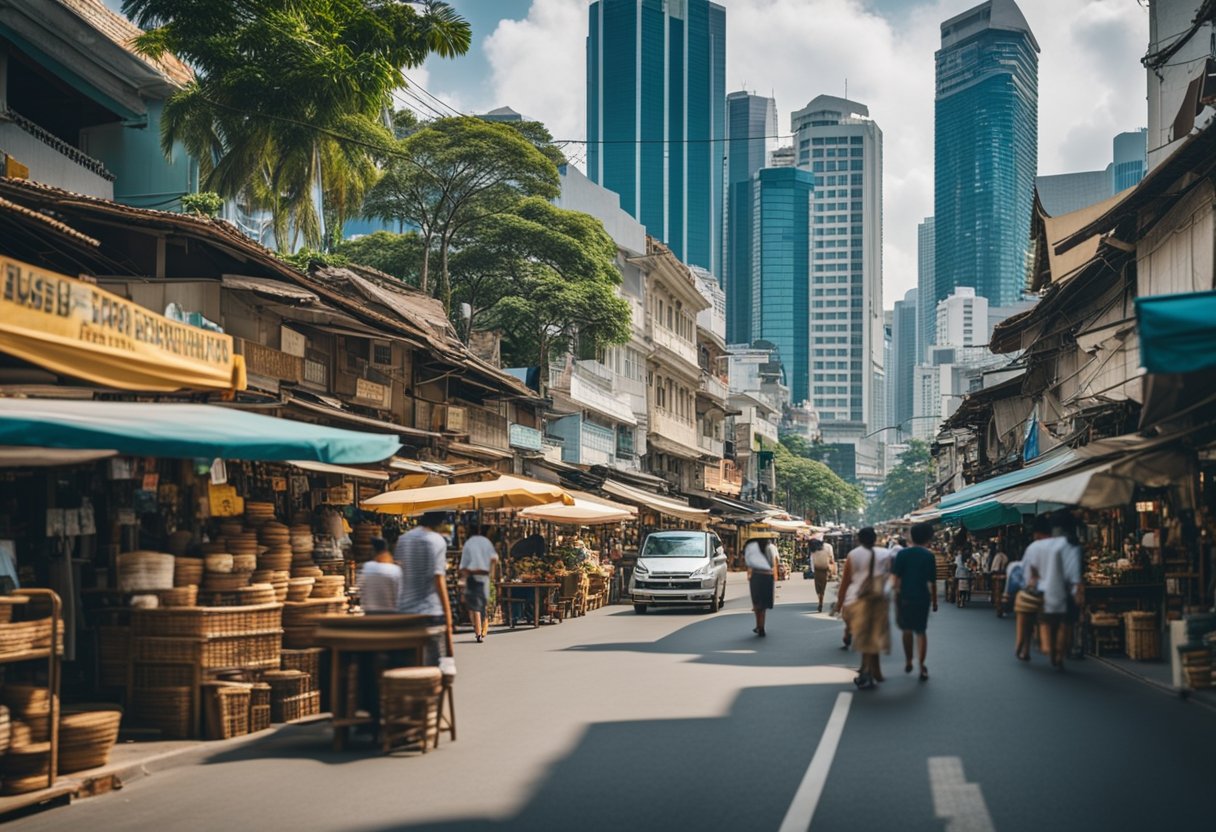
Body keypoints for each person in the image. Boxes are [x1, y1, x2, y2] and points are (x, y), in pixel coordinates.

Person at [1023, 510, 1083, 669]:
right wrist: (1078, 589)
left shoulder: (1037, 546)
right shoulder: (1070, 545)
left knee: (1045, 621)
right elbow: (1074, 573)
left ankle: (1048, 647)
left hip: (1041, 592)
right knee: (1065, 623)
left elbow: (1029, 573)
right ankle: (1058, 653)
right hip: (1064, 591)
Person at [395, 510, 454, 664]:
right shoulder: (437, 541)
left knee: (408, 664)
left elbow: (399, 573)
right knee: (432, 668)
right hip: (430, 612)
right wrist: (448, 617)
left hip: (404, 611)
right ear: (441, 523)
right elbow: (438, 580)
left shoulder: (403, 539)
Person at [836, 527, 891, 690]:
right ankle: (871, 670)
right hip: (880, 599)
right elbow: (891, 577)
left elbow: (845, 581)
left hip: (858, 600)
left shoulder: (853, 555)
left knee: (865, 635)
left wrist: (839, 603)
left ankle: (867, 671)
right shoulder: (885, 554)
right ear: (876, 539)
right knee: (874, 634)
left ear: (858, 539)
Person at [892, 523, 938, 681]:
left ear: (911, 537)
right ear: (927, 538)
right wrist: (935, 601)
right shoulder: (929, 556)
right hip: (923, 598)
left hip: (905, 597)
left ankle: (908, 660)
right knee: (921, 631)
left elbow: (896, 580)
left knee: (907, 630)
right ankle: (922, 664)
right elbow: (932, 582)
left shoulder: (902, 555)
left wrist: (895, 597)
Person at [1013, 514, 1053, 662]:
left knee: (1025, 617)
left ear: (1036, 532)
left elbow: (1026, 572)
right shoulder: (1059, 546)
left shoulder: (1033, 547)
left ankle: (1024, 649)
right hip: (1056, 591)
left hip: (1036, 591)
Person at [459, 525, 498, 643]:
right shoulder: (486, 543)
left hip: (472, 576)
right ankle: (481, 629)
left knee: (473, 607)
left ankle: (478, 633)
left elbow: (463, 565)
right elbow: (495, 559)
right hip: (484, 576)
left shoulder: (468, 544)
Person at [743, 535, 778, 637]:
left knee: (757, 603)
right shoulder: (770, 547)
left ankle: (759, 626)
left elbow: (749, 563)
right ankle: (761, 626)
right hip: (767, 576)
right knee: (764, 605)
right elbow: (773, 563)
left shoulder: (752, 547)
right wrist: (774, 576)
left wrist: (749, 575)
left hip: (757, 575)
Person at [356, 538, 402, 614]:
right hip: (391, 614)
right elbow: (400, 594)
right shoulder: (395, 570)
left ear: (374, 551)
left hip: (370, 613)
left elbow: (359, 590)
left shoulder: (367, 567)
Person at [809, 539, 834, 613]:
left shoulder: (813, 549)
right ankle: (821, 601)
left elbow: (812, 560)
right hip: (825, 569)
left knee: (818, 587)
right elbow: (831, 558)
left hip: (818, 569)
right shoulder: (828, 546)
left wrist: (813, 570)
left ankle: (820, 601)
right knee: (822, 587)